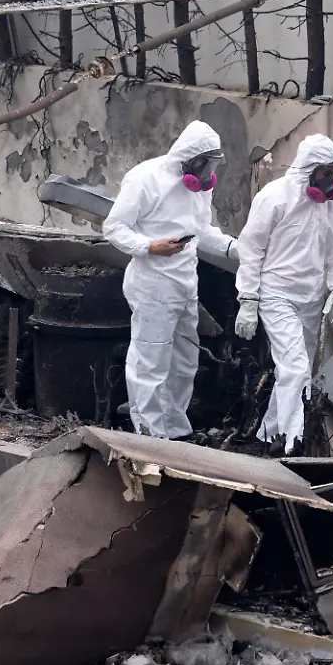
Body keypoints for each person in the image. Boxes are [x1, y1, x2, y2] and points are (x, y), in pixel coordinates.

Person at [103, 120, 240, 439]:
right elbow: (113, 228)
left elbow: (202, 231)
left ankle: (175, 426)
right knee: (150, 358)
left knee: (183, 359)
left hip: (185, 285)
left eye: (212, 163)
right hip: (152, 284)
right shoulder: (144, 178)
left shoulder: (199, 189)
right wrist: (149, 246)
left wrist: (234, 248)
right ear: (190, 157)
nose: (208, 171)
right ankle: (149, 429)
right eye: (204, 162)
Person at [233, 134, 333, 455]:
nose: (330, 181)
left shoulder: (332, 207)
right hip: (276, 294)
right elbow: (251, 249)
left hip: (311, 298)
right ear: (308, 170)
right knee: (295, 367)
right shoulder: (274, 198)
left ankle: (268, 435)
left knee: (298, 371)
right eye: (325, 173)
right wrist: (248, 298)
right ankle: (291, 443)